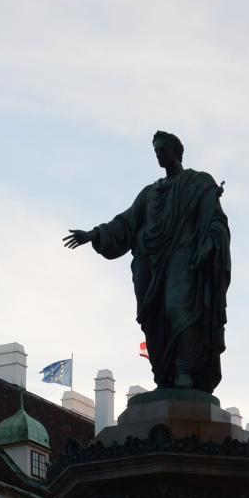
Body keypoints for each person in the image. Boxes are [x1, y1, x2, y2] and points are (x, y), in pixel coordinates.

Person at [64, 131, 231, 394]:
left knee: (178, 308)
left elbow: (216, 220)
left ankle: (185, 371)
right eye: (156, 151)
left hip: (184, 258)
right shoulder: (150, 193)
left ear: (177, 152)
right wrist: (94, 234)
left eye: (162, 150)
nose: (158, 155)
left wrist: (208, 245)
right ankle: (165, 374)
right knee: (154, 320)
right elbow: (125, 222)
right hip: (150, 265)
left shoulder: (199, 183)